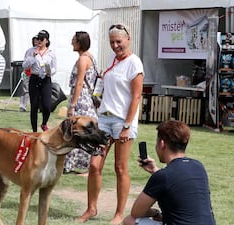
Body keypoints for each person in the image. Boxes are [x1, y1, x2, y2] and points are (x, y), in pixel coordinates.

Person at [77, 24, 144, 224]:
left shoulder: (134, 63)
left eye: (118, 41)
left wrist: (126, 125)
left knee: (120, 168)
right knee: (94, 165)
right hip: (104, 119)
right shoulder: (113, 60)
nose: (115, 45)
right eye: (112, 42)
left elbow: (136, 96)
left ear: (128, 39)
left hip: (123, 122)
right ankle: (91, 209)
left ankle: (118, 214)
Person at [123, 120, 216, 225]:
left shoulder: (162, 176)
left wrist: (155, 214)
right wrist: (155, 171)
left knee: (129, 221)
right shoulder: (198, 166)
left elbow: (136, 212)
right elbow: (178, 183)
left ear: (162, 143)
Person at [64, 31, 99, 173]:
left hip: (81, 100)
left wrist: (72, 105)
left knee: (75, 131)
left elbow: (79, 83)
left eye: (74, 40)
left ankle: (70, 164)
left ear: (79, 43)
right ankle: (80, 164)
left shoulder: (83, 60)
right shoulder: (90, 57)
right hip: (87, 99)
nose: (72, 43)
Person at [22, 30, 57, 132]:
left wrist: (50, 72)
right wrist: (32, 57)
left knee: (46, 105)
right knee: (34, 105)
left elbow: (54, 68)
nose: (39, 41)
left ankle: (44, 123)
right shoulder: (30, 51)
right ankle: (34, 130)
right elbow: (25, 65)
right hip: (34, 78)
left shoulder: (51, 53)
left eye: (41, 39)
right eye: (38, 39)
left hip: (46, 78)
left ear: (46, 40)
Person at [19, 35, 39, 112]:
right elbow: (25, 62)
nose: (37, 42)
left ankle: (36, 106)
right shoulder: (29, 51)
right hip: (28, 72)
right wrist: (24, 71)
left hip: (37, 73)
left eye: (38, 40)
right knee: (25, 90)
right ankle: (23, 106)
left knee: (36, 91)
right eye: (35, 40)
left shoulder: (44, 51)